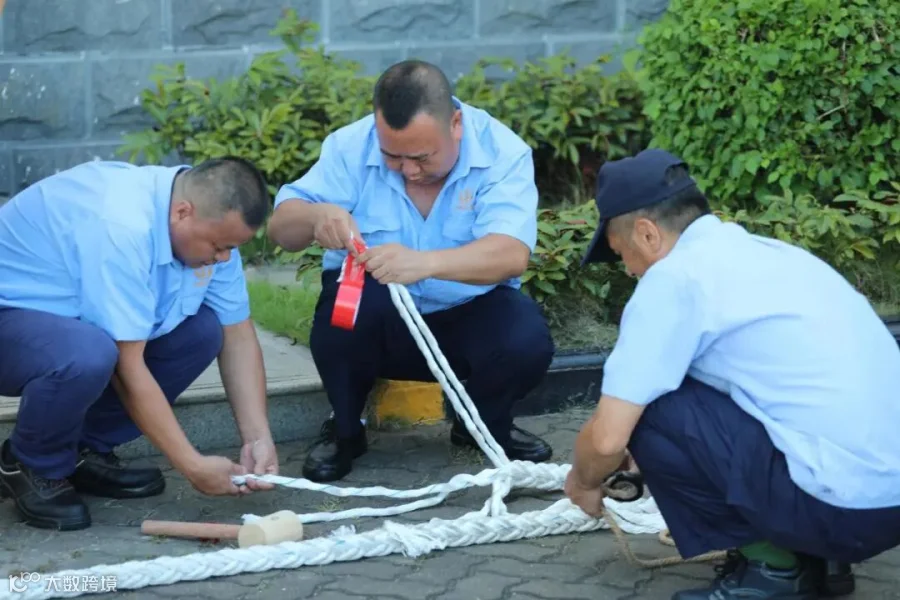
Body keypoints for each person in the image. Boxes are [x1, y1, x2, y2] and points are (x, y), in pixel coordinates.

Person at [563, 148, 900, 599]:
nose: (628, 269)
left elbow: (607, 439)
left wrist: (583, 481)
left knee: (652, 411)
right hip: (884, 506)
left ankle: (777, 573)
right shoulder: (776, 255)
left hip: (843, 512)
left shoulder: (674, 279)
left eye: (622, 253)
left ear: (646, 233)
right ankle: (820, 560)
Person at [267, 59, 555, 482]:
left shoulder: (502, 152)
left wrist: (425, 264)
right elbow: (280, 229)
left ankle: (480, 423)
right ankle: (346, 430)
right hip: (379, 323)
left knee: (525, 338)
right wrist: (315, 216)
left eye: (421, 157)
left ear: (455, 124)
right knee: (344, 311)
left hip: (466, 315)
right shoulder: (349, 147)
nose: (408, 170)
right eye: (392, 156)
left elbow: (511, 254)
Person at [0, 157, 280, 531]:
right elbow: (127, 367)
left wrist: (258, 438)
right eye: (218, 245)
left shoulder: (205, 220)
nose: (224, 257)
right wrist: (192, 465)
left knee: (203, 332)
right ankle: (29, 462)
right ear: (182, 212)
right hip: (10, 314)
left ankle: (80, 449)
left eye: (231, 247)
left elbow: (238, 336)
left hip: (61, 321)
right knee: (90, 353)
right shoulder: (122, 224)